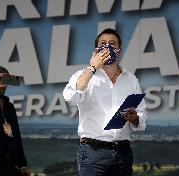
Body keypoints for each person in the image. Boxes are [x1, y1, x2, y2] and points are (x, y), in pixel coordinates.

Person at [63, 28, 147, 176]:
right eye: (103, 43)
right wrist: (92, 67)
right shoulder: (83, 76)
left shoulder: (131, 80)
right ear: (96, 50)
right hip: (92, 152)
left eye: (112, 44)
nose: (107, 47)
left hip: (123, 153)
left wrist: (135, 118)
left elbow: (141, 119)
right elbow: (71, 97)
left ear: (119, 51)